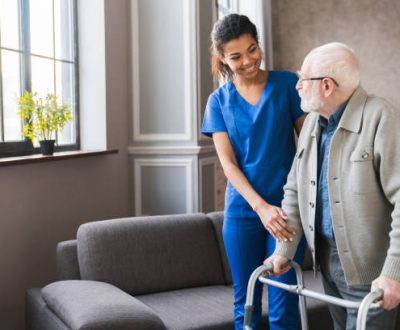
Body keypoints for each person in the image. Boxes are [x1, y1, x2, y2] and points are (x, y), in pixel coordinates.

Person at [265, 42, 400, 330]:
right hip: (325, 263)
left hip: (372, 273)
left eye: (304, 78)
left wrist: (393, 273)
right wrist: (283, 250)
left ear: (327, 86)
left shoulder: (381, 116)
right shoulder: (313, 122)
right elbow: (294, 190)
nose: (297, 86)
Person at [201, 13, 307, 330]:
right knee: (245, 301)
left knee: (283, 302)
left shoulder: (287, 84)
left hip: (287, 212)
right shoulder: (218, 101)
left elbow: (307, 147)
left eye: (252, 49)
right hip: (243, 212)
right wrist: (260, 208)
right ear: (222, 58)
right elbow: (229, 165)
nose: (248, 60)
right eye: (236, 56)